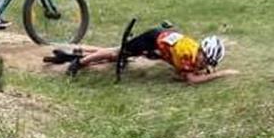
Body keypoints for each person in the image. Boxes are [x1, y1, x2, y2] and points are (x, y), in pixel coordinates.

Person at [45, 23, 231, 84]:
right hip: (151, 40)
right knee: (116, 54)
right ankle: (80, 62)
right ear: (201, 51)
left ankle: (79, 51)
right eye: (205, 61)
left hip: (157, 39)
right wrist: (222, 74)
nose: (204, 65)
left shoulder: (194, 51)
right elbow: (190, 79)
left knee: (119, 54)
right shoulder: (185, 53)